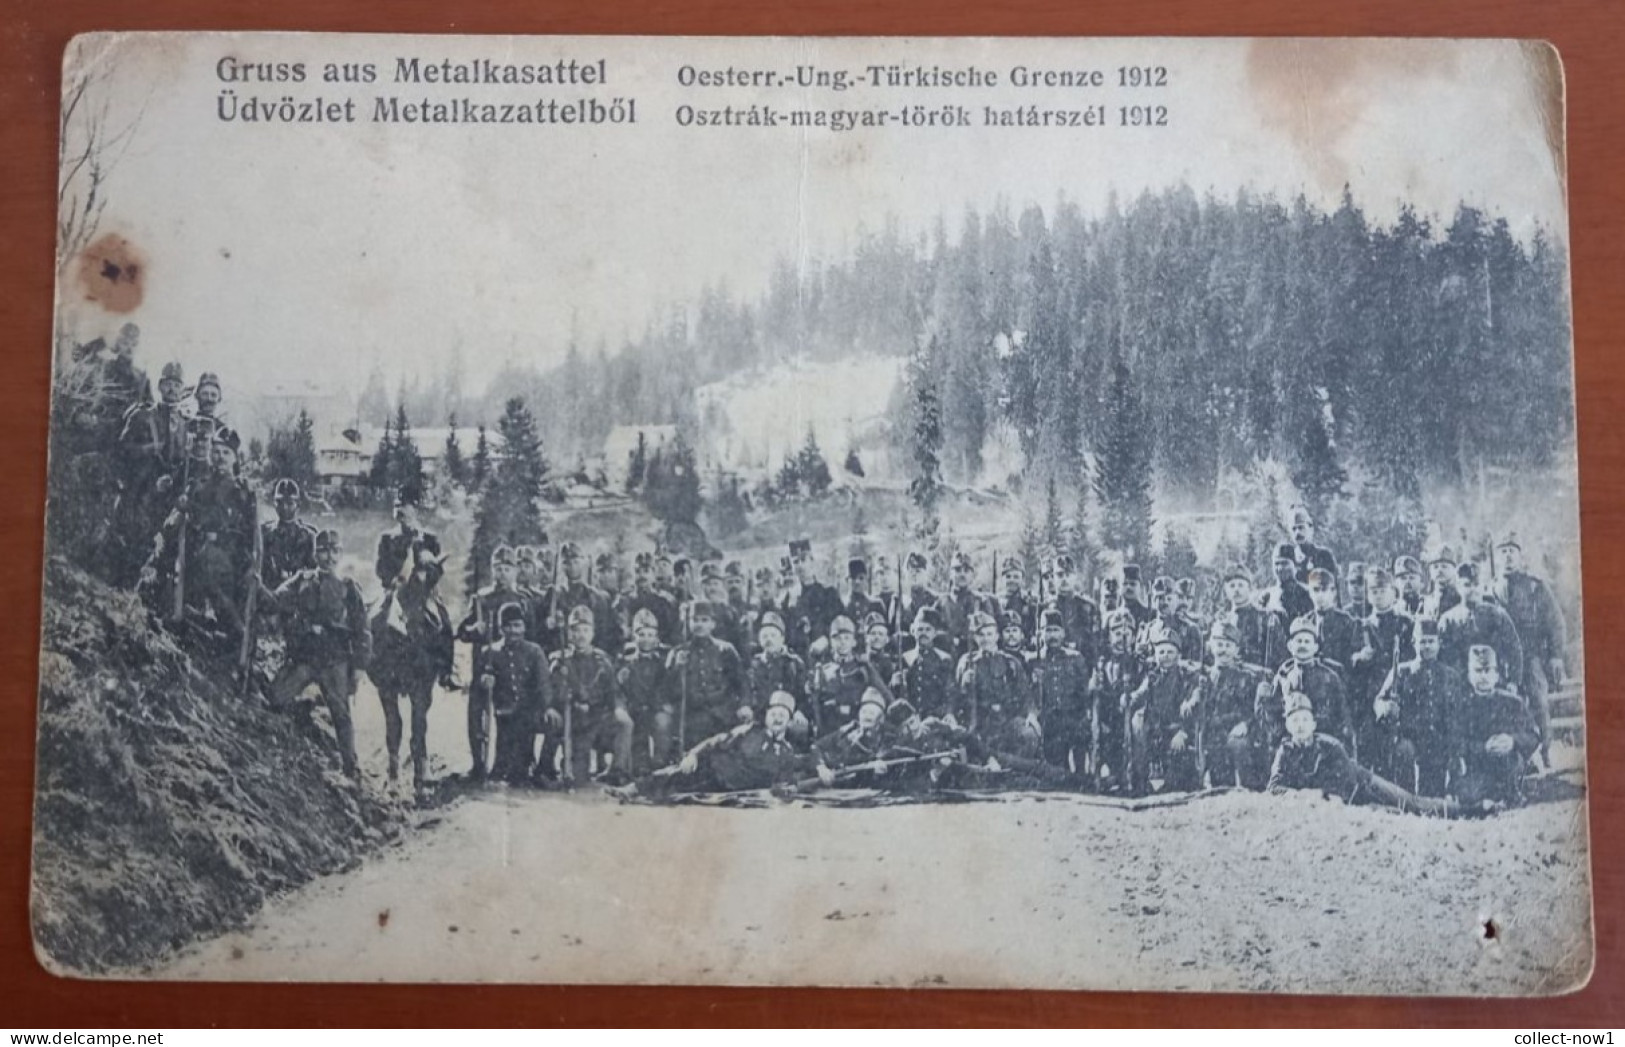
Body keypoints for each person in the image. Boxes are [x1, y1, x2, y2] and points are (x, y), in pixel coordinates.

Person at [262, 529, 372, 780]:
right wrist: (258, 586)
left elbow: (362, 630)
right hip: (306, 659)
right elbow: (276, 600)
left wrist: (359, 667)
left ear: (340, 554)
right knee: (275, 698)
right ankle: (296, 725)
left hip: (335, 661)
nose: (329, 557)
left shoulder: (348, 588)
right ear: (315, 553)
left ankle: (350, 768)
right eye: (323, 550)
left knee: (341, 715)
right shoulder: (302, 580)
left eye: (334, 551)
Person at [1268, 692, 1451, 815]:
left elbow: (1345, 785)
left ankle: (1467, 809)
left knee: (1413, 804)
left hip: (1365, 785)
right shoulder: (1285, 750)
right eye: (1295, 720)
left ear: (1314, 724)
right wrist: (1304, 795)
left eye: (1305, 719)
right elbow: (1274, 787)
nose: (1300, 725)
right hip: (1349, 803)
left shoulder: (1330, 746)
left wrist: (1317, 795)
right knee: (1391, 812)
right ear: (1288, 726)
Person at [370, 536, 455, 796]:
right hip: (395, 587)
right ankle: (393, 767)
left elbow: (431, 572)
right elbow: (384, 568)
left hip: (421, 609)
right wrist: (399, 576)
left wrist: (429, 570)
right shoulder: (390, 539)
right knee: (375, 618)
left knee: (442, 621)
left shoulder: (425, 542)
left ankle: (421, 763)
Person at [457, 545, 535, 779]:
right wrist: (474, 628)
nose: (502, 574)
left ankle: (520, 762)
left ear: (515, 571)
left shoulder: (523, 600)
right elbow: (461, 632)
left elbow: (532, 634)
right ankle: (478, 764)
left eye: (507, 569)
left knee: (517, 714)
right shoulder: (481, 599)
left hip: (515, 668)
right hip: (484, 666)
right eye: (498, 569)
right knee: (476, 715)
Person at [1495, 535, 1567, 768]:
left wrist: (1556, 655)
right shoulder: (1491, 589)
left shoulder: (1535, 586)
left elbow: (1555, 622)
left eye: (1511, 551)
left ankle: (1546, 752)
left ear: (1520, 556)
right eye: (1503, 551)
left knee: (1538, 701)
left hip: (1531, 656)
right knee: (1506, 705)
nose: (1507, 556)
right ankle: (1520, 757)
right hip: (1503, 660)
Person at [1372, 617, 1464, 796]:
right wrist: (1385, 707)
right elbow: (1379, 701)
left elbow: (1457, 716)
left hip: (1438, 740)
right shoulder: (1401, 671)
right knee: (1404, 751)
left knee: (1432, 794)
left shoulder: (1450, 676)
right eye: (1423, 642)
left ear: (1439, 644)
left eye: (1431, 641)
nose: (1427, 647)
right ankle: (1404, 799)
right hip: (1410, 738)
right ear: (1414, 643)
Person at [548, 605, 631, 784]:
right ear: (570, 634)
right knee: (578, 778)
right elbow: (554, 693)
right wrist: (566, 692)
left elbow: (614, 691)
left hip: (598, 720)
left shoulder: (602, 660)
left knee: (624, 724)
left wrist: (619, 709)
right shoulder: (560, 660)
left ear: (592, 633)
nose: (581, 635)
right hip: (576, 724)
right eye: (576, 630)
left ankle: (617, 770)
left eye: (585, 630)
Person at [1451, 645, 1539, 812]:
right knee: (1467, 794)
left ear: (1497, 675)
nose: (1483, 676)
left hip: (1508, 764)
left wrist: (1513, 741)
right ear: (1470, 676)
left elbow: (1533, 735)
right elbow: (1455, 742)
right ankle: (1492, 800)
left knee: (1510, 766)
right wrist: (1483, 747)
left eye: (1487, 670)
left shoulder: (1513, 703)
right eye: (1477, 671)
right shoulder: (1461, 706)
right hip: (1477, 766)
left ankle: (1510, 793)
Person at [475, 602, 552, 784]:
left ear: (524, 627)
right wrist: (485, 680)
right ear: (501, 629)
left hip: (530, 711)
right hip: (504, 712)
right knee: (507, 767)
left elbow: (543, 684)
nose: (513, 631)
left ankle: (542, 767)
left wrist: (547, 707)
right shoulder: (491, 652)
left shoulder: (534, 651)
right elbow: (479, 684)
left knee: (520, 770)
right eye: (508, 626)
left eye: (517, 625)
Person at [1125, 621, 1203, 794]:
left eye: (1170, 652)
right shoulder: (1152, 677)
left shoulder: (1187, 676)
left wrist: (1183, 731)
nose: (1166, 656)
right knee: (1138, 724)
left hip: (1179, 731)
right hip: (1157, 730)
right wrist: (1128, 699)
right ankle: (1139, 783)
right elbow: (1140, 694)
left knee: (1178, 782)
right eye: (1161, 652)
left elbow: (1195, 699)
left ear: (1178, 654)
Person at [1194, 620, 1272, 789]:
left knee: (1239, 744)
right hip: (1210, 730)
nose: (1223, 650)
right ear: (1211, 647)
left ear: (1236, 649)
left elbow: (1253, 710)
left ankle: (1248, 788)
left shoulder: (1247, 677)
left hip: (1237, 728)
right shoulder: (1203, 677)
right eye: (1219, 644)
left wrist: (1245, 724)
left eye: (1228, 645)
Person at [666, 600, 749, 755]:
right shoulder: (678, 653)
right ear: (688, 623)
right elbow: (667, 690)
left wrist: (745, 705)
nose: (699, 625)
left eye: (704, 620)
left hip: (724, 714)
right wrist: (677, 668)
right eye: (695, 620)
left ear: (713, 624)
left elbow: (742, 683)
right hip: (692, 718)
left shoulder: (726, 650)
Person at [955, 611, 1039, 759]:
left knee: (1028, 734)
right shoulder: (966, 662)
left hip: (1006, 720)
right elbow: (957, 696)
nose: (986, 639)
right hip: (979, 723)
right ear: (975, 638)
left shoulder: (1010, 662)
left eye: (989, 634)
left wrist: (1031, 715)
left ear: (997, 636)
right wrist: (964, 683)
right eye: (981, 635)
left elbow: (1025, 694)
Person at [1266, 617, 1351, 752]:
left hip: (1323, 742)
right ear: (1290, 645)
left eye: (1307, 641)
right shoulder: (1283, 677)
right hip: (1291, 741)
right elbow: (1273, 711)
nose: (1303, 646)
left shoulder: (1330, 677)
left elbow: (1342, 716)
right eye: (1298, 641)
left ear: (1315, 647)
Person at [1438, 562, 1524, 692]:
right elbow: (1443, 657)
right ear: (1458, 587)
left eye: (1476, 585)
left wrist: (1513, 681)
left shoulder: (1498, 615)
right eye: (1467, 585)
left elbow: (1513, 648)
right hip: (1460, 684)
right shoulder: (1448, 620)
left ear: (1483, 586)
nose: (1472, 589)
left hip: (1494, 682)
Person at [1086, 608, 1144, 790]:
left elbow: (1146, 686)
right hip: (1108, 721)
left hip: (1131, 717)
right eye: (1117, 633)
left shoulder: (1138, 662)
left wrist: (1133, 697)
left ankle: (1135, 778)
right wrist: (1093, 686)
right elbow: (1096, 694)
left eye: (1127, 633)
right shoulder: (1104, 664)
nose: (1122, 638)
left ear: (1134, 637)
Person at [807, 615, 892, 734]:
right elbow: (817, 707)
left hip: (859, 729)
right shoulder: (822, 670)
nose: (842, 643)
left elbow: (886, 696)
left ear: (854, 642)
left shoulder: (864, 668)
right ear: (831, 642)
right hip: (831, 731)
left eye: (846, 638)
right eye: (837, 639)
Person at [1030, 607, 1091, 772]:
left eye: (1056, 630)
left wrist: (1083, 716)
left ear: (1063, 633)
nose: (1052, 636)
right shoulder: (1032, 660)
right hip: (1048, 721)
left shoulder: (1075, 658)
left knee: (1080, 761)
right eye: (1048, 630)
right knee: (1057, 770)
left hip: (1073, 718)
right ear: (1040, 634)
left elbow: (1084, 692)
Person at [617, 607, 673, 774]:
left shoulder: (664, 662)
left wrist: (658, 705)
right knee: (635, 729)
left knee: (663, 722)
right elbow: (619, 689)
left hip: (656, 707)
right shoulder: (625, 662)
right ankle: (639, 763)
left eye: (650, 635)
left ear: (656, 638)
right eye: (641, 635)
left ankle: (660, 761)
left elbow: (666, 687)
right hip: (635, 707)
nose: (646, 639)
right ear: (634, 637)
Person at [747, 611, 809, 734]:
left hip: (787, 718)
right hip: (760, 719)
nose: (768, 640)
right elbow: (749, 691)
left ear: (782, 638)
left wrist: (800, 711)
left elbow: (803, 695)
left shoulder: (794, 663)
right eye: (764, 636)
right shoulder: (755, 663)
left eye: (773, 635)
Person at [893, 606, 958, 721]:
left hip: (935, 717)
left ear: (935, 633)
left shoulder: (944, 659)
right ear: (913, 631)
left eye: (928, 629)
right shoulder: (905, 659)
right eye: (920, 629)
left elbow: (950, 693)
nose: (924, 633)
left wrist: (949, 713)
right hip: (910, 717)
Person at [556, 541, 622, 655]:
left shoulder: (599, 598)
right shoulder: (553, 597)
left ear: (583, 563)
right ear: (561, 566)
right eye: (567, 563)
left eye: (576, 562)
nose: (572, 567)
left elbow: (610, 635)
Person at [1217, 564, 1286, 671]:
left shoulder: (1265, 618)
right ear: (1226, 591)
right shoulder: (1223, 621)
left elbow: (1279, 656)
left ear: (1249, 588)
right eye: (1232, 586)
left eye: (1240, 585)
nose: (1236, 590)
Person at [375, 486, 442, 593]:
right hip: (394, 591)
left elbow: (437, 570)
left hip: (424, 593)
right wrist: (394, 581)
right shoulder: (386, 538)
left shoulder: (429, 539)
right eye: (397, 505)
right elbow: (380, 569)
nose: (399, 509)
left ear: (416, 510)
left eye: (405, 505)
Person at [260, 478, 318, 591]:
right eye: (280, 502)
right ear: (274, 503)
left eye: (289, 503)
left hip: (300, 596)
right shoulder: (265, 534)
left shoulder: (309, 536)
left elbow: (315, 571)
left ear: (298, 504)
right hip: (271, 595)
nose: (284, 507)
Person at [789, 539, 844, 656]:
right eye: (795, 562)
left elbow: (841, 624)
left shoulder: (828, 593)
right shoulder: (789, 599)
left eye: (803, 560)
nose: (800, 566)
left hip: (826, 655)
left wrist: (827, 639)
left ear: (812, 561)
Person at [938, 551, 998, 656]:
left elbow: (990, 632)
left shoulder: (981, 601)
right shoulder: (941, 602)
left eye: (966, 570)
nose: (962, 574)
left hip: (975, 656)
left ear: (972, 575)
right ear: (950, 574)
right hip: (947, 656)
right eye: (957, 570)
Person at [618, 551, 680, 647]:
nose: (641, 576)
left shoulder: (666, 602)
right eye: (638, 571)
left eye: (646, 571)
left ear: (654, 573)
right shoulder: (624, 601)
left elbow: (672, 635)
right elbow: (622, 632)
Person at [1049, 554, 1101, 665]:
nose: (1064, 579)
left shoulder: (1089, 607)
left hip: (1082, 666)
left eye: (1068, 575)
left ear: (1075, 577)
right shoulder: (1046, 608)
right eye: (1060, 575)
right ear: (1053, 578)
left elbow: (1095, 643)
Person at [1285, 505, 1339, 596]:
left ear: (1310, 528)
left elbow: (1333, 589)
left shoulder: (1324, 555)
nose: (1298, 533)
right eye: (1294, 529)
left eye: (1301, 527)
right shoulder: (1289, 557)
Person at [1261, 544, 1314, 624]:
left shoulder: (1307, 593)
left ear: (1295, 566)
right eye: (1276, 564)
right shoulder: (1266, 596)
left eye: (1285, 563)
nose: (1280, 568)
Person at [997, 559, 1036, 639]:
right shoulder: (995, 600)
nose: (1012, 580)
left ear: (1022, 579)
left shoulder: (1029, 600)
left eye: (1016, 577)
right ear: (1002, 579)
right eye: (1008, 576)